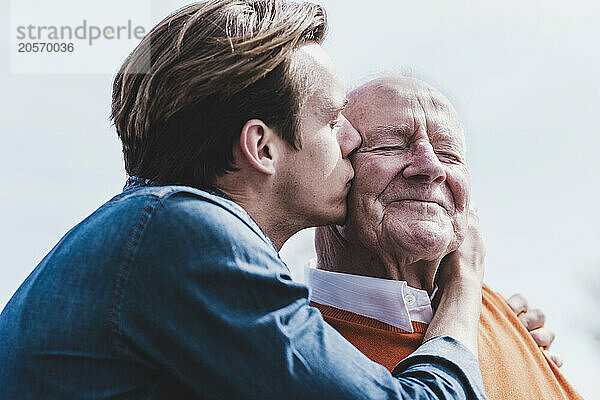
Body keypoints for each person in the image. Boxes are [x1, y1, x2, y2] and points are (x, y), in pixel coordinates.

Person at [0, 2, 489, 399]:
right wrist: (464, 286)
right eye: (332, 119)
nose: (352, 138)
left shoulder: (154, 232)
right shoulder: (185, 234)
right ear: (262, 147)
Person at [310, 75, 583, 399]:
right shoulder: (284, 345)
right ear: (331, 169)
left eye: (449, 154)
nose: (431, 167)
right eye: (392, 145)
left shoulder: (508, 320)